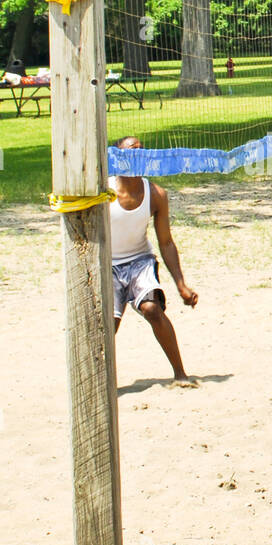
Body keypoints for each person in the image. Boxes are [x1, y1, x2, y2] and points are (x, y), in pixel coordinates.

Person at [109, 136, 200, 386]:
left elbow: (166, 242)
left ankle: (181, 374)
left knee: (152, 309)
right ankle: (99, 383)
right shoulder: (104, 192)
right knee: (109, 324)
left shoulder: (156, 194)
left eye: (142, 150)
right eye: (131, 150)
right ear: (118, 156)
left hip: (140, 260)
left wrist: (181, 284)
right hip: (108, 265)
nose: (138, 153)